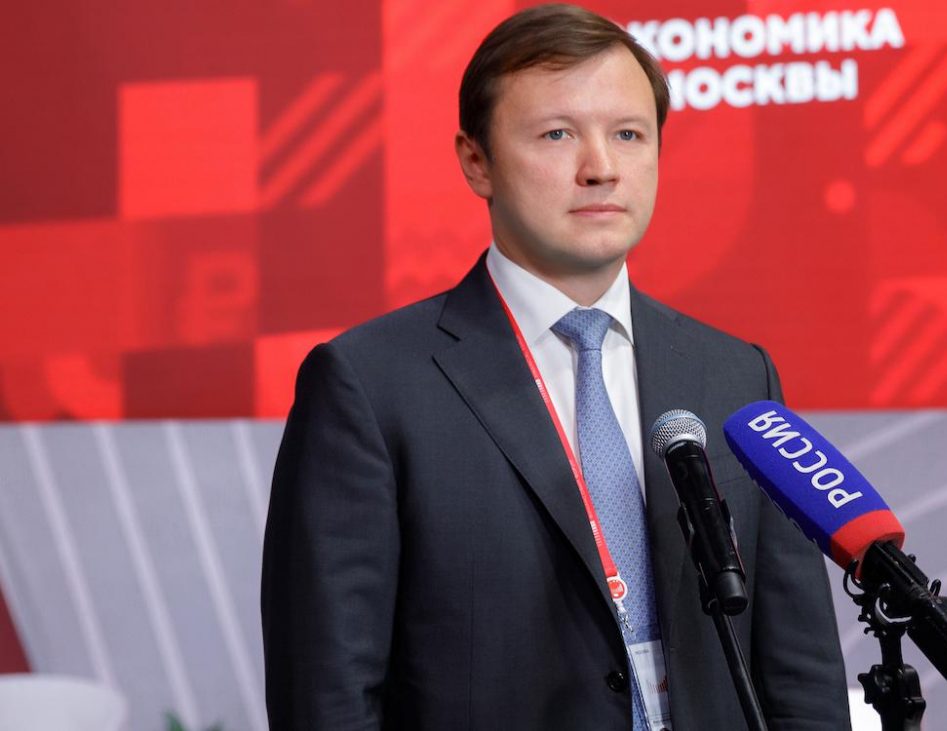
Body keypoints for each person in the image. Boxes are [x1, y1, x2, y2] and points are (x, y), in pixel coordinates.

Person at [261, 4, 850, 729]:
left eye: (629, 134)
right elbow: (327, 691)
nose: (601, 168)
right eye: (557, 134)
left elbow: (801, 674)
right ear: (476, 161)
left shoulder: (735, 375)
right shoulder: (371, 386)